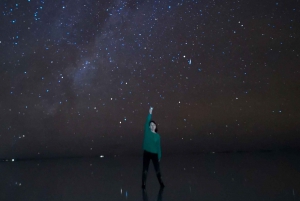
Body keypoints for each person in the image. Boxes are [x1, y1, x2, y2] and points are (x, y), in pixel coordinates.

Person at [142, 106, 165, 189]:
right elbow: (147, 120)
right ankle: (143, 184)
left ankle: (161, 183)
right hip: (147, 153)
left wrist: (159, 156)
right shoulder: (147, 132)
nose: (152, 126)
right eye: (151, 125)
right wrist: (150, 113)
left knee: (157, 169)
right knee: (145, 169)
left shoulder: (158, 136)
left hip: (154, 154)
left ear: (155, 126)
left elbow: (158, 147)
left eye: (153, 125)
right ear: (149, 127)